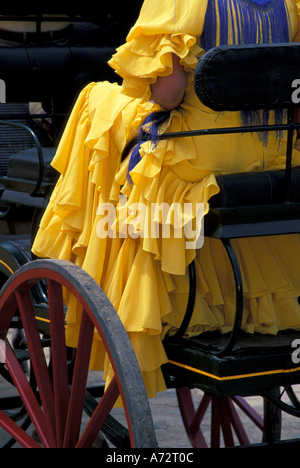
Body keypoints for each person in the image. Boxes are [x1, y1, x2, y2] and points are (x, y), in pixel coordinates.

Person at [32, 0, 300, 399]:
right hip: (281, 157)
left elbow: (170, 96)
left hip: (200, 160)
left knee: (96, 102)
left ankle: (84, 262)